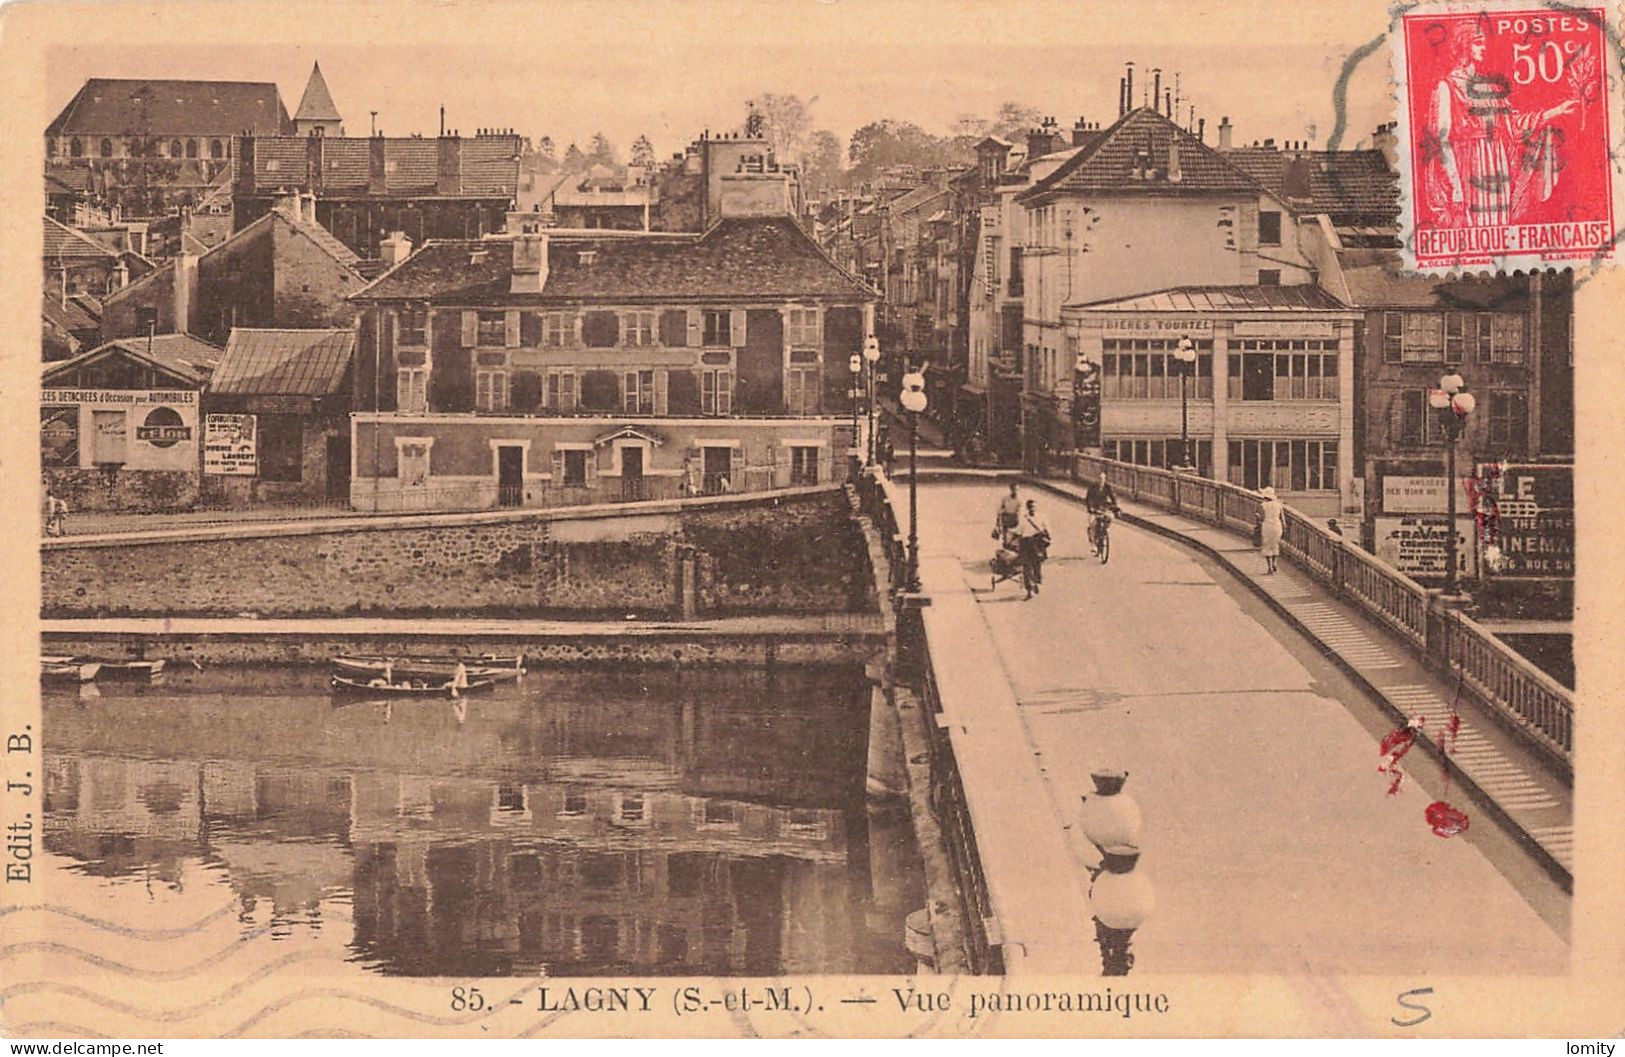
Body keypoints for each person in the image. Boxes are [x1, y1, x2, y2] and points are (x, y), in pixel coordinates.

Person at [1424, 21, 1578, 229]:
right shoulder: (1446, 86)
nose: (1483, 47)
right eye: (1477, 43)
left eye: (1483, 42)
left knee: (1498, 233)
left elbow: (1513, 126)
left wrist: (1555, 111)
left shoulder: (1491, 88)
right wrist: (1456, 189)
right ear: (1463, 46)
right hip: (1468, 169)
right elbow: (1441, 142)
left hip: (1497, 169)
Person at [1016, 499, 1051, 599]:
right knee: (1027, 567)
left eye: (1034, 507)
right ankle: (1029, 589)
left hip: (1038, 544)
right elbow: (1019, 531)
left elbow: (1047, 529)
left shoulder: (1041, 517)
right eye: (1030, 507)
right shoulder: (1023, 519)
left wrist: (1047, 537)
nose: (1032, 509)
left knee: (1037, 566)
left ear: (1036, 507)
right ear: (1027, 508)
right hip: (1026, 543)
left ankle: (1036, 583)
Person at [1084, 472, 1119, 555]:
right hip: (1094, 509)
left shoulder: (1108, 487)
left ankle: (1104, 531)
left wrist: (1116, 507)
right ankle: (1093, 544)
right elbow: (1088, 499)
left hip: (1104, 508)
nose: (1101, 481)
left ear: (1105, 479)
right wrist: (1090, 508)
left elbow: (1113, 498)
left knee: (1110, 517)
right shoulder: (1092, 487)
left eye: (1102, 479)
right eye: (1099, 479)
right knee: (1092, 523)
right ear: (1097, 480)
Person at [1258, 486, 1285, 574]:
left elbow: (1261, 518)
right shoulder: (1279, 504)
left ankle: (1269, 567)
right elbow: (1283, 519)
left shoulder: (1263, 505)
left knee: (1267, 545)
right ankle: (1275, 562)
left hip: (1267, 525)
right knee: (1275, 544)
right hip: (1277, 525)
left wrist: (1257, 517)